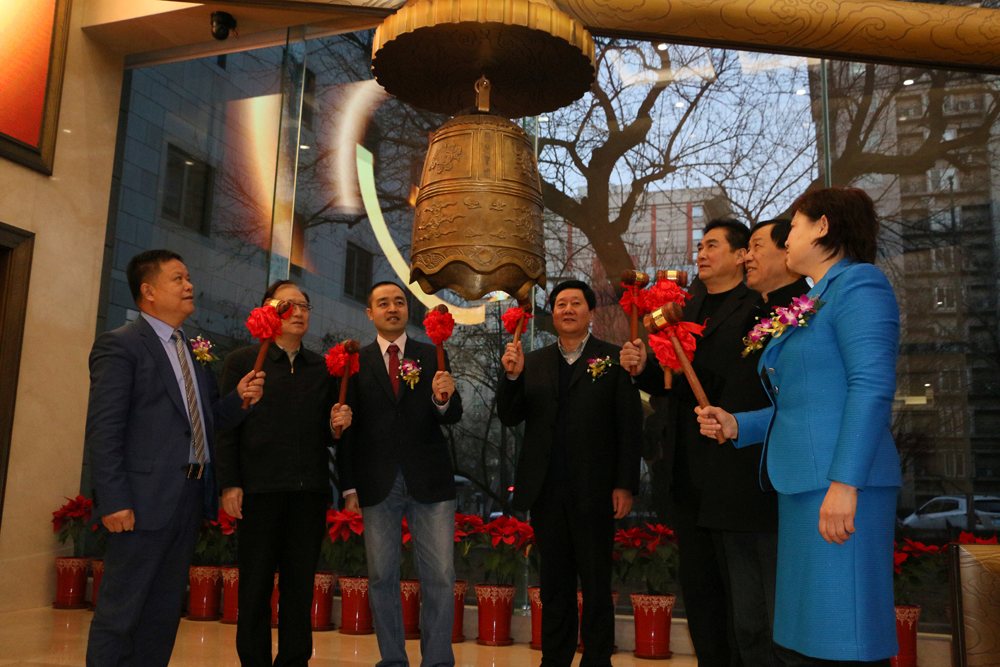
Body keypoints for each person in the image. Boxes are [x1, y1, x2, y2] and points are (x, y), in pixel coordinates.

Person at [697, 187, 902, 666]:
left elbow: (870, 387)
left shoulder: (860, 285)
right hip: (802, 488)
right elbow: (802, 403)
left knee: (844, 636)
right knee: (806, 641)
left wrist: (845, 484)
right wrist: (737, 425)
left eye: (796, 226)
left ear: (823, 227)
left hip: (840, 486)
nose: (786, 238)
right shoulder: (815, 299)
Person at [85, 249, 265, 667]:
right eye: (178, 279)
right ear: (148, 292)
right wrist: (113, 499)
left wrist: (239, 400)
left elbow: (203, 420)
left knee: (163, 613)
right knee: (121, 612)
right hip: (140, 499)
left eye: (188, 278)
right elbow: (104, 428)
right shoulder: (121, 345)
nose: (189, 286)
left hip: (187, 497)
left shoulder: (190, 348)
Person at [620, 219, 753, 667]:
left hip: (733, 470)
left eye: (713, 245)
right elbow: (672, 385)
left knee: (740, 595)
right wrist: (644, 367)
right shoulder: (685, 306)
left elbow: (741, 383)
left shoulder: (754, 308)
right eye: (700, 246)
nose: (701, 253)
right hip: (686, 473)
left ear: (741, 255)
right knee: (700, 593)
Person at [498, 280, 642, 667]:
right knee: (554, 583)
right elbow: (509, 416)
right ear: (553, 314)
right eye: (560, 304)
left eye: (576, 303)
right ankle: (554, 659)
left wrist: (625, 484)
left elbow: (629, 427)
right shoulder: (533, 360)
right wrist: (511, 377)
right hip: (546, 489)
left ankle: (597, 659)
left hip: (596, 490)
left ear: (590, 313)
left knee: (596, 584)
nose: (567, 309)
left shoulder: (614, 358)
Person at [216, 280, 352, 667]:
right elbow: (226, 428)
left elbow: (330, 433)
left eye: (304, 306)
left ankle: (294, 661)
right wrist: (230, 483)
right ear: (268, 311)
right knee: (255, 587)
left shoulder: (322, 368)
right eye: (288, 305)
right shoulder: (243, 362)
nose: (299, 312)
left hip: (308, 493)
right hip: (258, 491)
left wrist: (339, 423)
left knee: (299, 589)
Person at [336, 281, 463, 667]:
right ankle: (392, 660)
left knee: (440, 576)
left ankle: (437, 661)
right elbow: (347, 429)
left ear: (408, 310)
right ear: (370, 313)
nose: (392, 308)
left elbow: (452, 414)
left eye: (398, 302)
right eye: (383, 303)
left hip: (430, 479)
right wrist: (349, 487)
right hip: (376, 482)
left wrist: (443, 398)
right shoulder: (355, 361)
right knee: (381, 577)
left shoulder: (432, 353)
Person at [707, 218, 809, 667]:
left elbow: (802, 404)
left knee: (781, 622)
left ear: (789, 252)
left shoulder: (808, 313)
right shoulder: (751, 314)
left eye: (755, 246)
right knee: (747, 621)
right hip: (735, 482)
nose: (747, 256)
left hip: (780, 486)